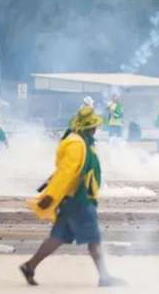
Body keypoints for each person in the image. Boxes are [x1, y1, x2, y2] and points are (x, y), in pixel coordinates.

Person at [20, 105, 123, 287]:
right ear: (88, 127)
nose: (96, 129)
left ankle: (30, 266)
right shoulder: (77, 144)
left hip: (74, 199)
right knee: (94, 239)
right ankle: (104, 276)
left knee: (58, 237)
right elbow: (66, 173)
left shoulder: (83, 141)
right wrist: (50, 196)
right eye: (94, 126)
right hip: (79, 200)